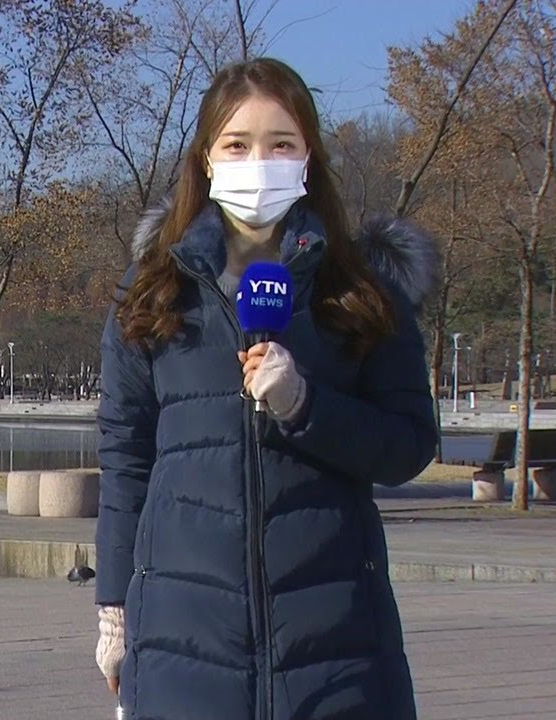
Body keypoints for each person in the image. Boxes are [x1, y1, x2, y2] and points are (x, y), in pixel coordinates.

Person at [93, 57, 439, 720]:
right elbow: (125, 458)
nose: (260, 161)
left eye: (280, 144)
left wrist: (306, 406)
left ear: (308, 155)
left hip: (334, 650)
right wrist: (114, 609)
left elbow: (408, 444)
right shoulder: (152, 294)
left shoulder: (362, 291)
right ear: (206, 158)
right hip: (184, 649)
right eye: (237, 144)